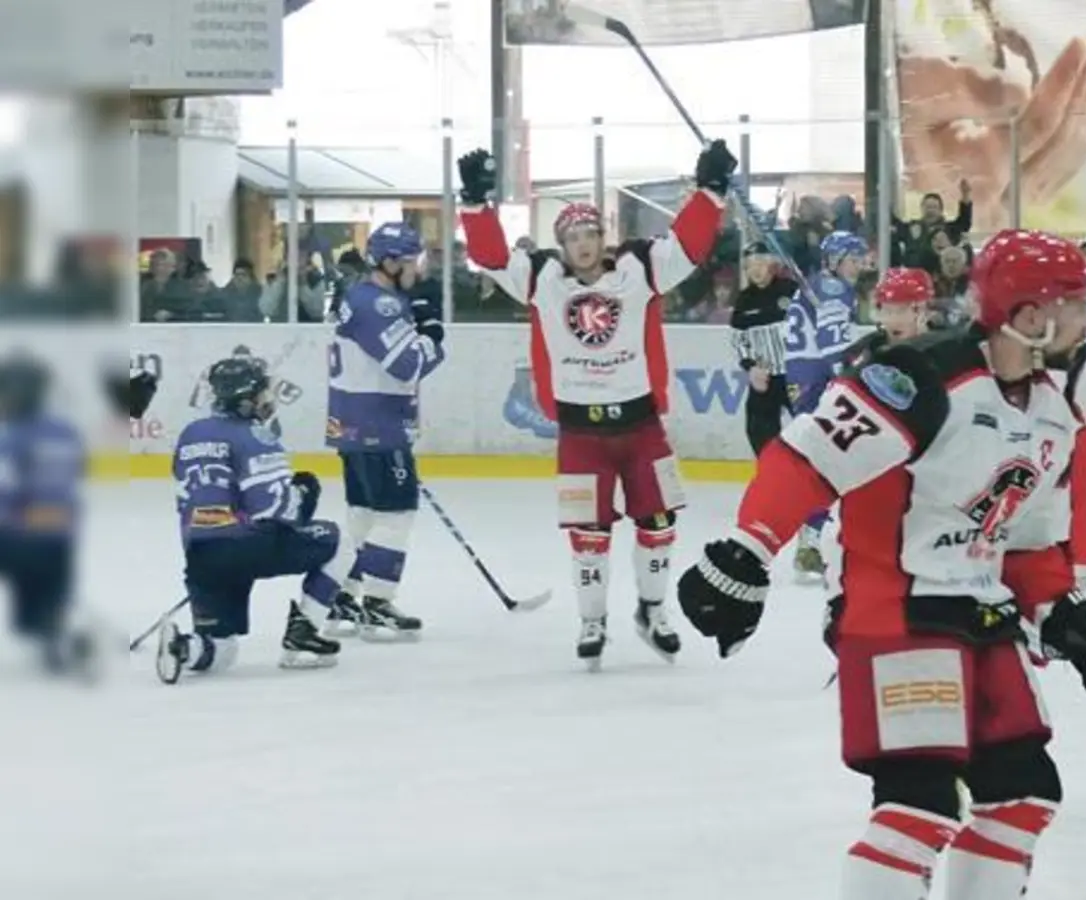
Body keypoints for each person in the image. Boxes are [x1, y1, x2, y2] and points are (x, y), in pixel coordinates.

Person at [676, 229, 1086, 900]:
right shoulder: (920, 377)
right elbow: (808, 457)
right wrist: (748, 551)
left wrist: (1062, 614)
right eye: (1078, 304)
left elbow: (1024, 538)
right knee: (920, 807)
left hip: (980, 607)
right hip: (895, 610)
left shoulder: (1051, 404)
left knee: (1024, 794)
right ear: (1030, 318)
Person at [457, 139, 736, 670]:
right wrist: (475, 204)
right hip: (581, 435)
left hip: (642, 427)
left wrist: (710, 192)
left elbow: (689, 246)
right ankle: (593, 619)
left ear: (603, 237)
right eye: (572, 236)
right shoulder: (542, 278)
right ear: (560, 244)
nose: (583, 243)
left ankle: (652, 610)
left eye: (591, 233)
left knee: (657, 524)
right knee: (590, 535)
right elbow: (491, 257)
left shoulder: (640, 268)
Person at [157, 357, 360, 684]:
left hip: (200, 554)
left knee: (222, 650)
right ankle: (302, 637)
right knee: (341, 543)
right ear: (245, 399)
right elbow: (278, 512)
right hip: (246, 545)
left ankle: (184, 648)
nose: (268, 399)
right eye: (262, 392)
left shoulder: (191, 433)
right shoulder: (256, 436)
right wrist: (305, 492)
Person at [324, 222, 444, 640]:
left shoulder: (366, 297)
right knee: (396, 514)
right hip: (378, 425)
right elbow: (409, 364)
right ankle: (376, 603)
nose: (419, 268)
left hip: (354, 422)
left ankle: (342, 597)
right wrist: (433, 332)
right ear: (390, 262)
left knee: (363, 515)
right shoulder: (379, 305)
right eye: (413, 260)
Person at [0, 353, 95, 677]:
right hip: (58, 537)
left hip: (15, 536)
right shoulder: (65, 432)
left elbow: (5, 489)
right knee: (42, 607)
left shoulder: (11, 437)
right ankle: (53, 630)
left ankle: (51, 628)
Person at [785, 230, 869, 579]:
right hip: (817, 381)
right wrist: (847, 378)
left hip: (801, 379)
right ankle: (817, 536)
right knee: (835, 460)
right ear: (834, 260)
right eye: (853, 259)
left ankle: (811, 538)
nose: (859, 266)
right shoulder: (833, 288)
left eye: (861, 260)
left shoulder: (820, 285)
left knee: (828, 460)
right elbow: (832, 345)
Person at [729, 239, 798, 456]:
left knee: (810, 425)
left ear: (771, 263)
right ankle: (773, 474)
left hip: (796, 376)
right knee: (758, 431)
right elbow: (738, 340)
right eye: (749, 265)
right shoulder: (744, 300)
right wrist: (750, 367)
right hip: (765, 378)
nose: (754, 269)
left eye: (759, 262)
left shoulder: (791, 290)